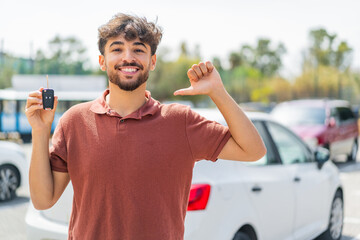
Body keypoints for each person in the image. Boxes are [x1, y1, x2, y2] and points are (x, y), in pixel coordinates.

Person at [25, 13, 266, 240]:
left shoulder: (180, 121)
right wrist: (39, 130)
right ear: (102, 61)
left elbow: (253, 150)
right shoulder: (74, 121)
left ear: (152, 62)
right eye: (117, 49)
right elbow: (42, 200)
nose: (128, 57)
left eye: (138, 49)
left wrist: (218, 92)